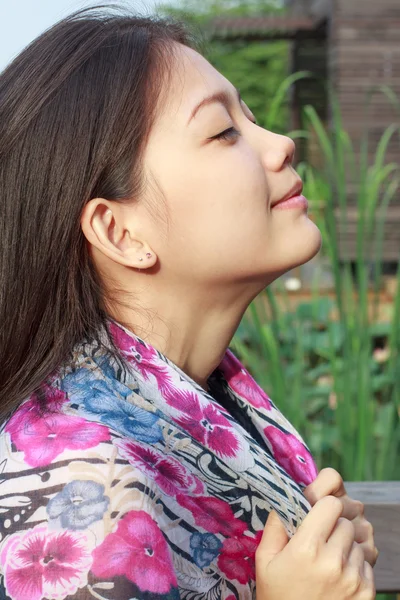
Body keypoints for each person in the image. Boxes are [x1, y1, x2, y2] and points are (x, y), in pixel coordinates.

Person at [0, 8, 377, 600]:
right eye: (224, 132)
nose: (282, 144)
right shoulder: (77, 486)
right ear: (121, 232)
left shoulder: (201, 399)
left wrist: (323, 558)